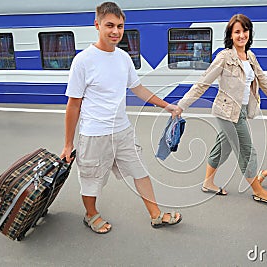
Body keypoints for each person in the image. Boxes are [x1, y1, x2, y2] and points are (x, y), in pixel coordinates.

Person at [60, 2, 182, 234]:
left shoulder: (124, 58)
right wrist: (68, 144)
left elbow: (138, 89)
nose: (116, 31)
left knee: (140, 171)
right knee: (91, 179)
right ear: (97, 25)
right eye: (109, 25)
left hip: (123, 131)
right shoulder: (83, 61)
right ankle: (91, 214)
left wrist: (166, 105)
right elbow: (73, 104)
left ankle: (156, 215)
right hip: (95, 134)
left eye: (120, 26)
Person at [177, 14, 267, 204]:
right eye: (237, 32)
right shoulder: (224, 57)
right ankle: (258, 191)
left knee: (223, 147)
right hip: (227, 112)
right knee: (247, 150)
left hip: (241, 111)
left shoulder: (250, 56)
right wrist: (181, 105)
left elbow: (263, 80)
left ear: (249, 33)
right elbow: (203, 83)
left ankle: (207, 183)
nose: (242, 35)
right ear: (230, 35)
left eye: (245, 30)